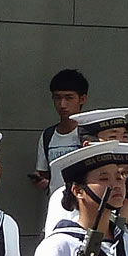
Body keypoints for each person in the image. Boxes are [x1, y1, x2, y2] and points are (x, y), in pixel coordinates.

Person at [43, 108, 128, 233]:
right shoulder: (62, 196)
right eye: (113, 137)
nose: (122, 144)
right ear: (88, 144)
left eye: (124, 136)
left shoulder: (125, 190)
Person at [33, 69, 88, 197]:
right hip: (57, 206)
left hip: (85, 204)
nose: (62, 104)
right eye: (57, 97)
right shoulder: (48, 135)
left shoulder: (91, 134)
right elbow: (43, 173)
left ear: (82, 99)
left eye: (69, 98)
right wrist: (40, 181)